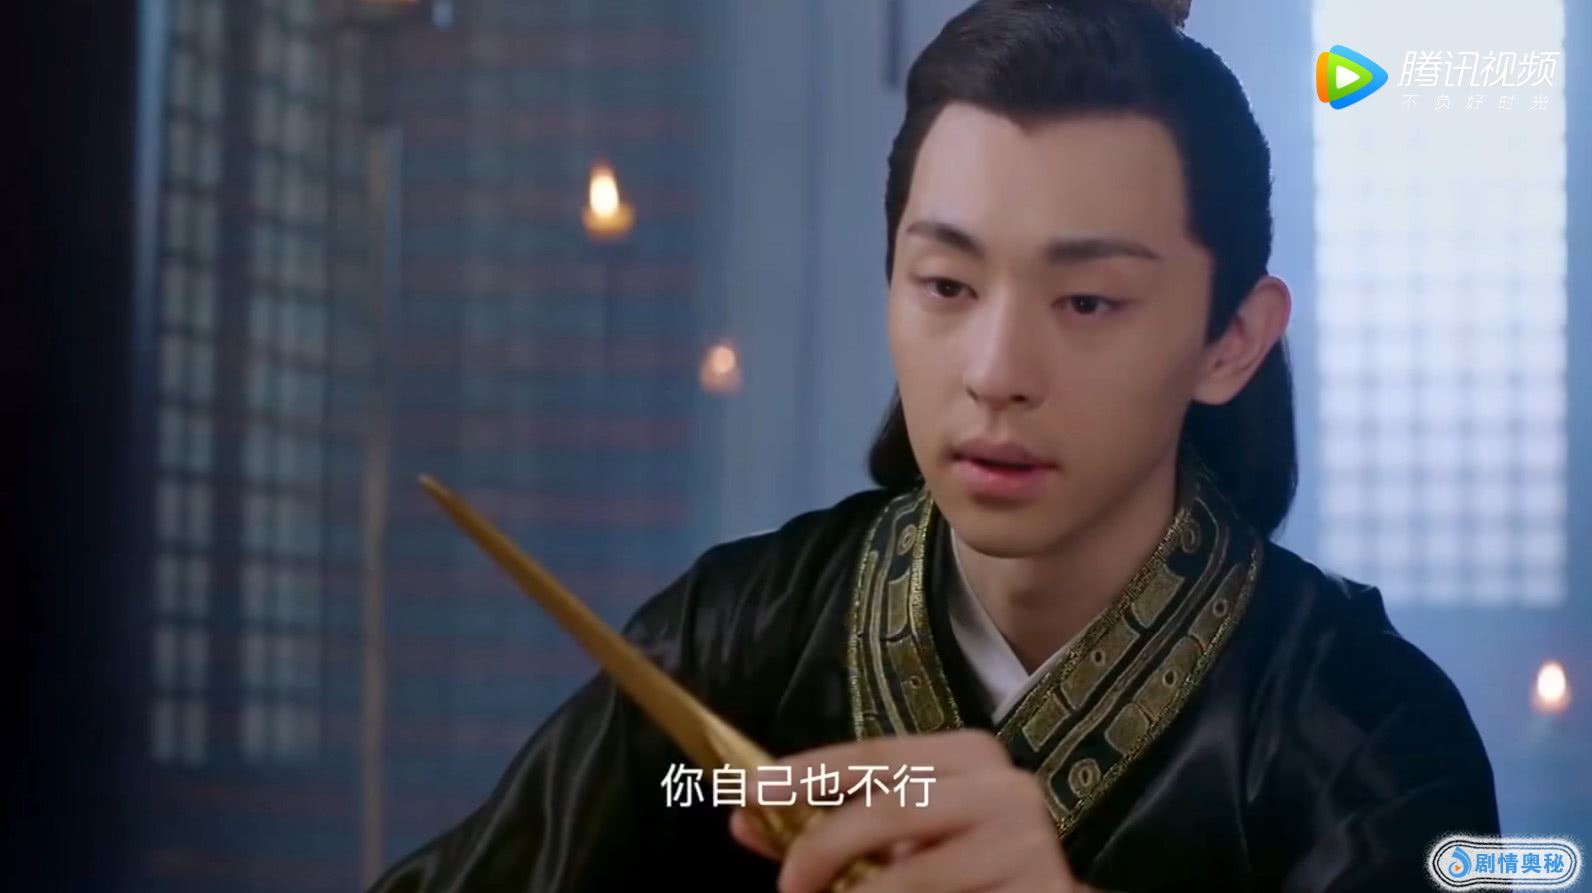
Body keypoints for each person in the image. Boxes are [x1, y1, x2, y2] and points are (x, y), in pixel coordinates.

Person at [367, 0, 1499, 889]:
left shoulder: (1365, 729)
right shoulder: (741, 635)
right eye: (947, 284)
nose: (995, 369)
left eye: (1088, 300)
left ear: (1231, 339)